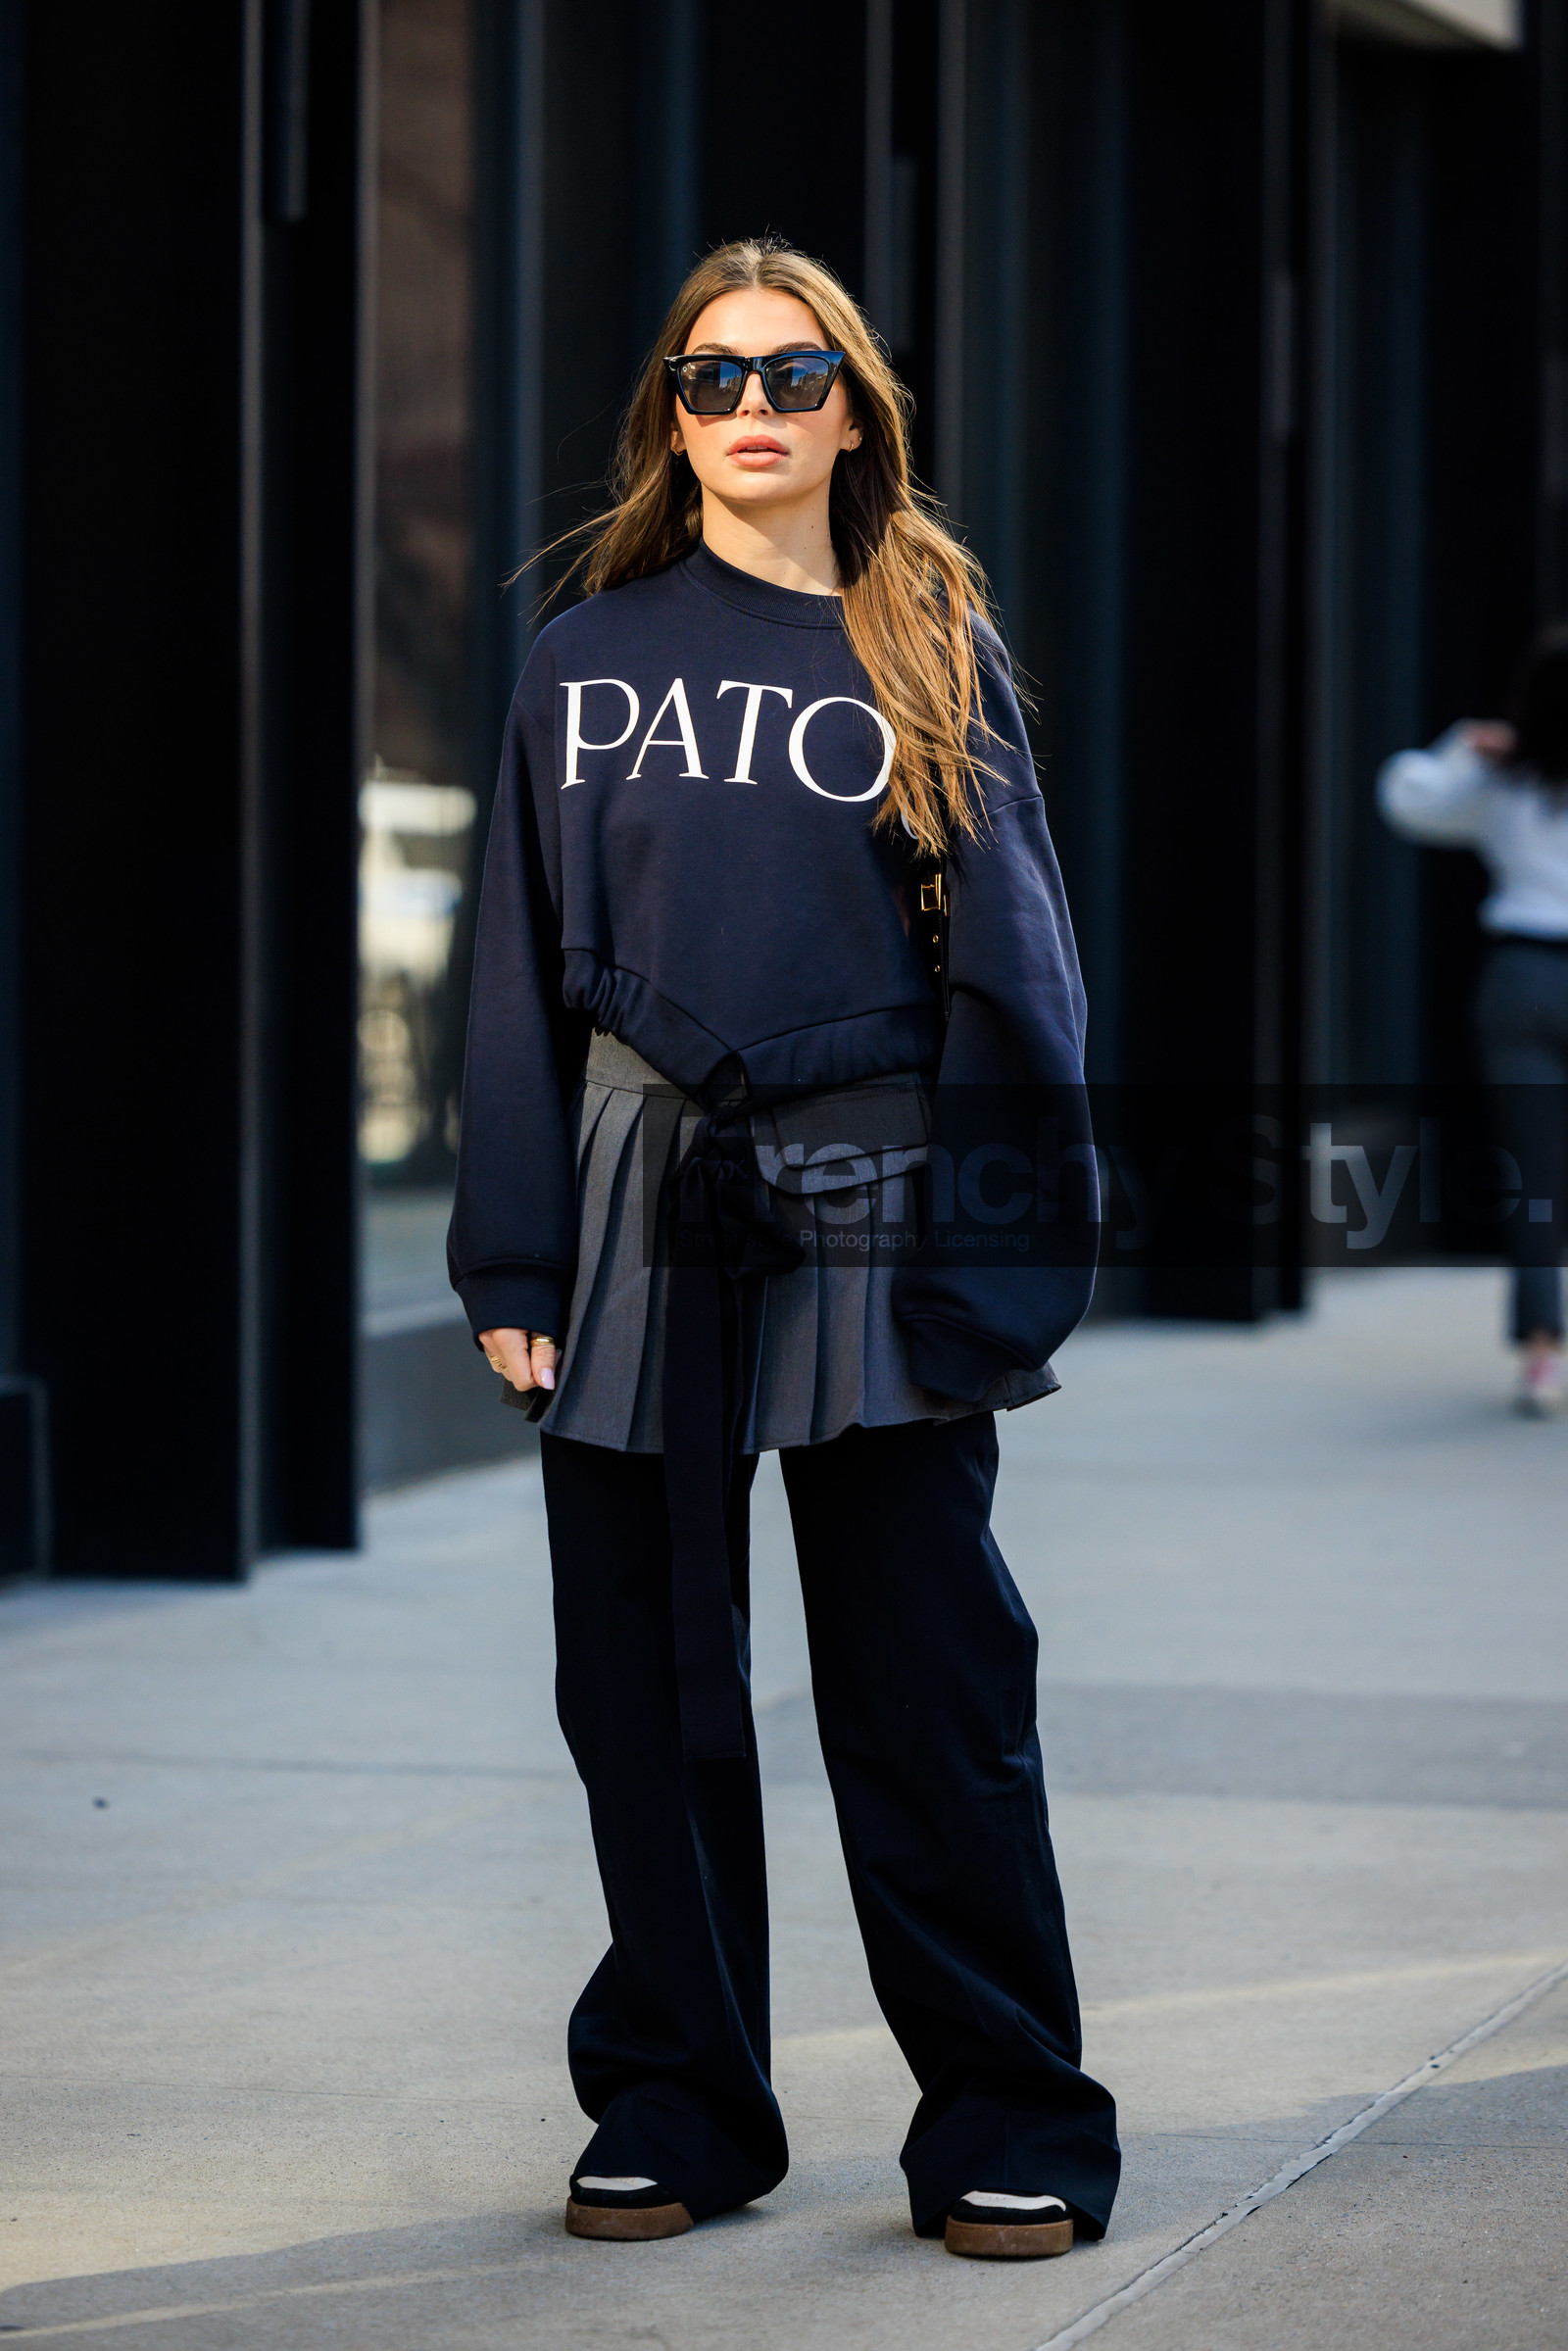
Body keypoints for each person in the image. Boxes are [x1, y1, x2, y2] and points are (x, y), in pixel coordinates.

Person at [447, 235, 1119, 2258]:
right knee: (639, 1692)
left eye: (790, 371)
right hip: (637, 1191)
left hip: (876, 1194)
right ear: (672, 411)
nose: (749, 407)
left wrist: (1003, 1253)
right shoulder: (581, 657)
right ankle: (679, 2092)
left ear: (854, 404)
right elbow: (514, 977)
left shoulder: (925, 643)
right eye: (709, 376)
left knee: (928, 1682)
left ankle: (1008, 2107)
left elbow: (1020, 976)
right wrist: (505, 1257)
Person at [1378, 625, 1568, 1415]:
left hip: (1522, 977)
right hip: (1524, 974)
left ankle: (1542, 1354)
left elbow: (1408, 797)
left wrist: (1463, 746)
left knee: (1537, 1179)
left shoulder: (1503, 778)